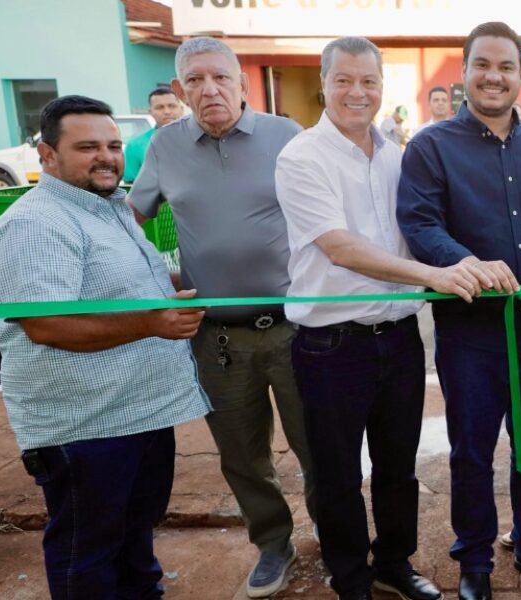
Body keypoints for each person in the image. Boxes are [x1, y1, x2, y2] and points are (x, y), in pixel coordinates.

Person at [0, 95, 210, 599]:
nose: (106, 157)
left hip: (138, 413)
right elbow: (48, 325)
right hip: (85, 427)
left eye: (113, 145)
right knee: (87, 551)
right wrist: (152, 323)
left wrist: (204, 278)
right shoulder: (35, 224)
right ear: (47, 156)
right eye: (87, 147)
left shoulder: (108, 208)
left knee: (133, 536)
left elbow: (125, 285)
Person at [274, 37, 466, 600]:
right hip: (332, 346)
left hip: (400, 338)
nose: (357, 92)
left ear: (383, 87)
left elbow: (424, 226)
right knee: (337, 473)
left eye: (369, 81)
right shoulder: (301, 157)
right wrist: (433, 276)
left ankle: (393, 564)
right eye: (344, 80)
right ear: (324, 85)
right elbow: (340, 247)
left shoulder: (398, 156)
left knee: (398, 467)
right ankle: (351, 579)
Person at [127, 36, 317, 599]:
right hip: (217, 340)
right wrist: (156, 278)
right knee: (241, 455)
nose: (209, 89)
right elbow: (131, 218)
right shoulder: (164, 147)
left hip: (296, 330)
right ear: (181, 89)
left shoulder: (286, 135)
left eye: (220, 77)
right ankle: (273, 543)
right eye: (195, 80)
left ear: (241, 83)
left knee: (318, 446)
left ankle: (338, 536)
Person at [396, 21, 521, 600]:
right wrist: (467, 262)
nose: (494, 76)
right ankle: (474, 561)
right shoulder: (430, 147)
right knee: (472, 452)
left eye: (506, 67)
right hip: (469, 337)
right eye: (483, 64)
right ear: (465, 71)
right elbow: (419, 223)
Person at [123, 87, 184, 183]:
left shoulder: (201, 138)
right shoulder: (134, 146)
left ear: (181, 109)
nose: (167, 111)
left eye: (172, 106)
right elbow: (130, 183)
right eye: (160, 107)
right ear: (150, 112)